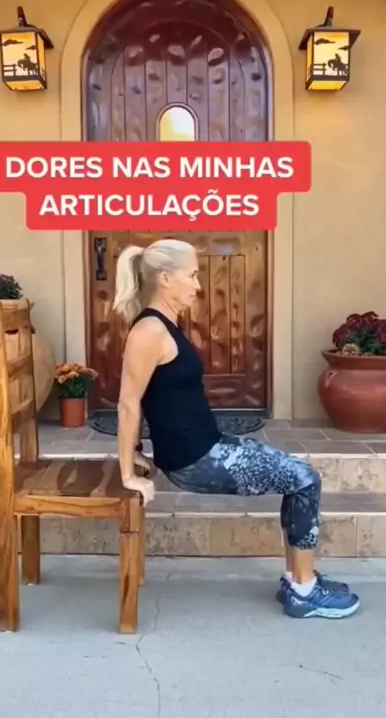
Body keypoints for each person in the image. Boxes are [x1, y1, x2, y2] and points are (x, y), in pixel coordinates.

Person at [114, 238, 360, 620]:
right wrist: (128, 473)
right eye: (192, 275)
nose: (198, 285)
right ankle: (304, 590)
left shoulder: (164, 324)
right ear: (165, 278)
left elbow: (155, 395)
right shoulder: (150, 331)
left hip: (207, 447)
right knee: (304, 479)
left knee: (298, 476)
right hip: (197, 460)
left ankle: (299, 578)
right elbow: (128, 402)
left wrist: (136, 452)